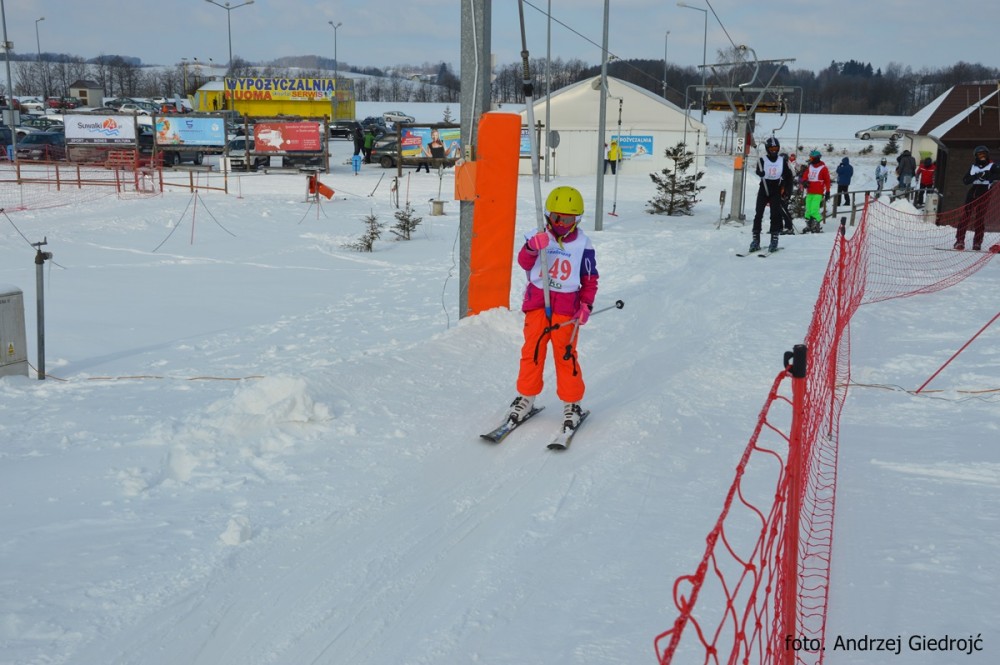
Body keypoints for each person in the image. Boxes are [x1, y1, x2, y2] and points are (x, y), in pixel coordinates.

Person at [506, 186, 599, 434]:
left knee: (566, 355)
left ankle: (572, 403)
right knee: (532, 350)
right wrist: (532, 248)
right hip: (538, 302)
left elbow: (590, 279)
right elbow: (524, 262)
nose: (560, 224)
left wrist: (586, 305)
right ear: (548, 215)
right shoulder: (537, 236)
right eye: (556, 217)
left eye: (567, 219)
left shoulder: (582, 244)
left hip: (566, 308)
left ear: (577, 219)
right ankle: (526, 397)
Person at [749, 137, 794, 252]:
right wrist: (760, 172)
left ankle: (774, 239)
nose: (774, 151)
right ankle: (756, 240)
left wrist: (786, 189)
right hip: (764, 188)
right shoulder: (762, 160)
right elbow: (758, 170)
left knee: (775, 214)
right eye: (772, 149)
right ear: (767, 149)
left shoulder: (781, 161)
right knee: (758, 213)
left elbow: (788, 175)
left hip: (775, 189)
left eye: (776, 148)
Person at [955, 146, 996, 250]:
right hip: (972, 192)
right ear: (976, 156)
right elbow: (965, 180)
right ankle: (960, 241)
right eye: (980, 155)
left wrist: (988, 175)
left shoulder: (992, 166)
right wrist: (977, 176)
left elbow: (997, 175)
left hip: (985, 193)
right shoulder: (973, 167)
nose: (982, 157)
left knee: (979, 218)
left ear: (987, 155)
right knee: (965, 217)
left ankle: (977, 243)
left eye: (984, 154)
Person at [801, 149, 831, 233]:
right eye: (810, 157)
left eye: (811, 158)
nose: (810, 159)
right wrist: (804, 181)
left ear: (816, 158)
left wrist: (828, 191)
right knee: (808, 210)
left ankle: (816, 225)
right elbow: (805, 176)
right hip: (810, 191)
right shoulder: (810, 167)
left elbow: (827, 181)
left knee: (814, 209)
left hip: (818, 192)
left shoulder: (823, 168)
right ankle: (809, 225)